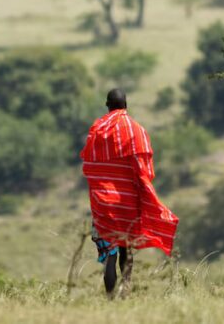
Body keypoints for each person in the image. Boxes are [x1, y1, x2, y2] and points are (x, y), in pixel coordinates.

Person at [80, 88, 179, 295]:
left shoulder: (96, 130)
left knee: (110, 253)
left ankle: (110, 298)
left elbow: (89, 166)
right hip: (126, 201)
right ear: (125, 105)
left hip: (102, 202)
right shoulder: (136, 130)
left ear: (107, 105)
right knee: (126, 247)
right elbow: (144, 170)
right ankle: (125, 291)